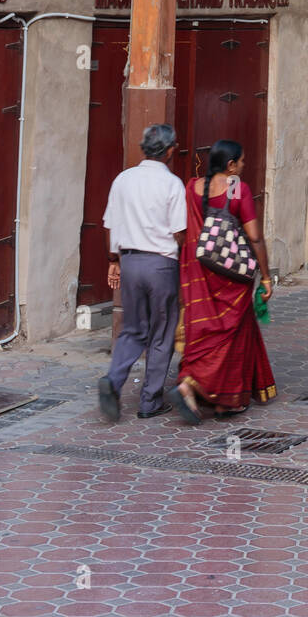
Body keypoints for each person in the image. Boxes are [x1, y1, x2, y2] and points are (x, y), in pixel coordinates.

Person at [172, 140, 276, 424]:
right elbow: (254, 237)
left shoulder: (193, 187)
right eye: (241, 162)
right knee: (228, 337)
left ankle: (193, 385)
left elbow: (183, 230)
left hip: (199, 274)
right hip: (230, 276)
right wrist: (266, 276)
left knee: (204, 331)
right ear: (230, 165)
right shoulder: (235, 187)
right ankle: (217, 398)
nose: (243, 166)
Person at [98, 123, 187, 422]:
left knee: (133, 329)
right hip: (161, 264)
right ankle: (149, 401)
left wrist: (113, 259)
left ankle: (113, 379)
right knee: (161, 334)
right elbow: (179, 232)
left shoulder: (123, 179)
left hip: (131, 262)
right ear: (171, 150)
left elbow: (109, 224)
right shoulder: (172, 184)